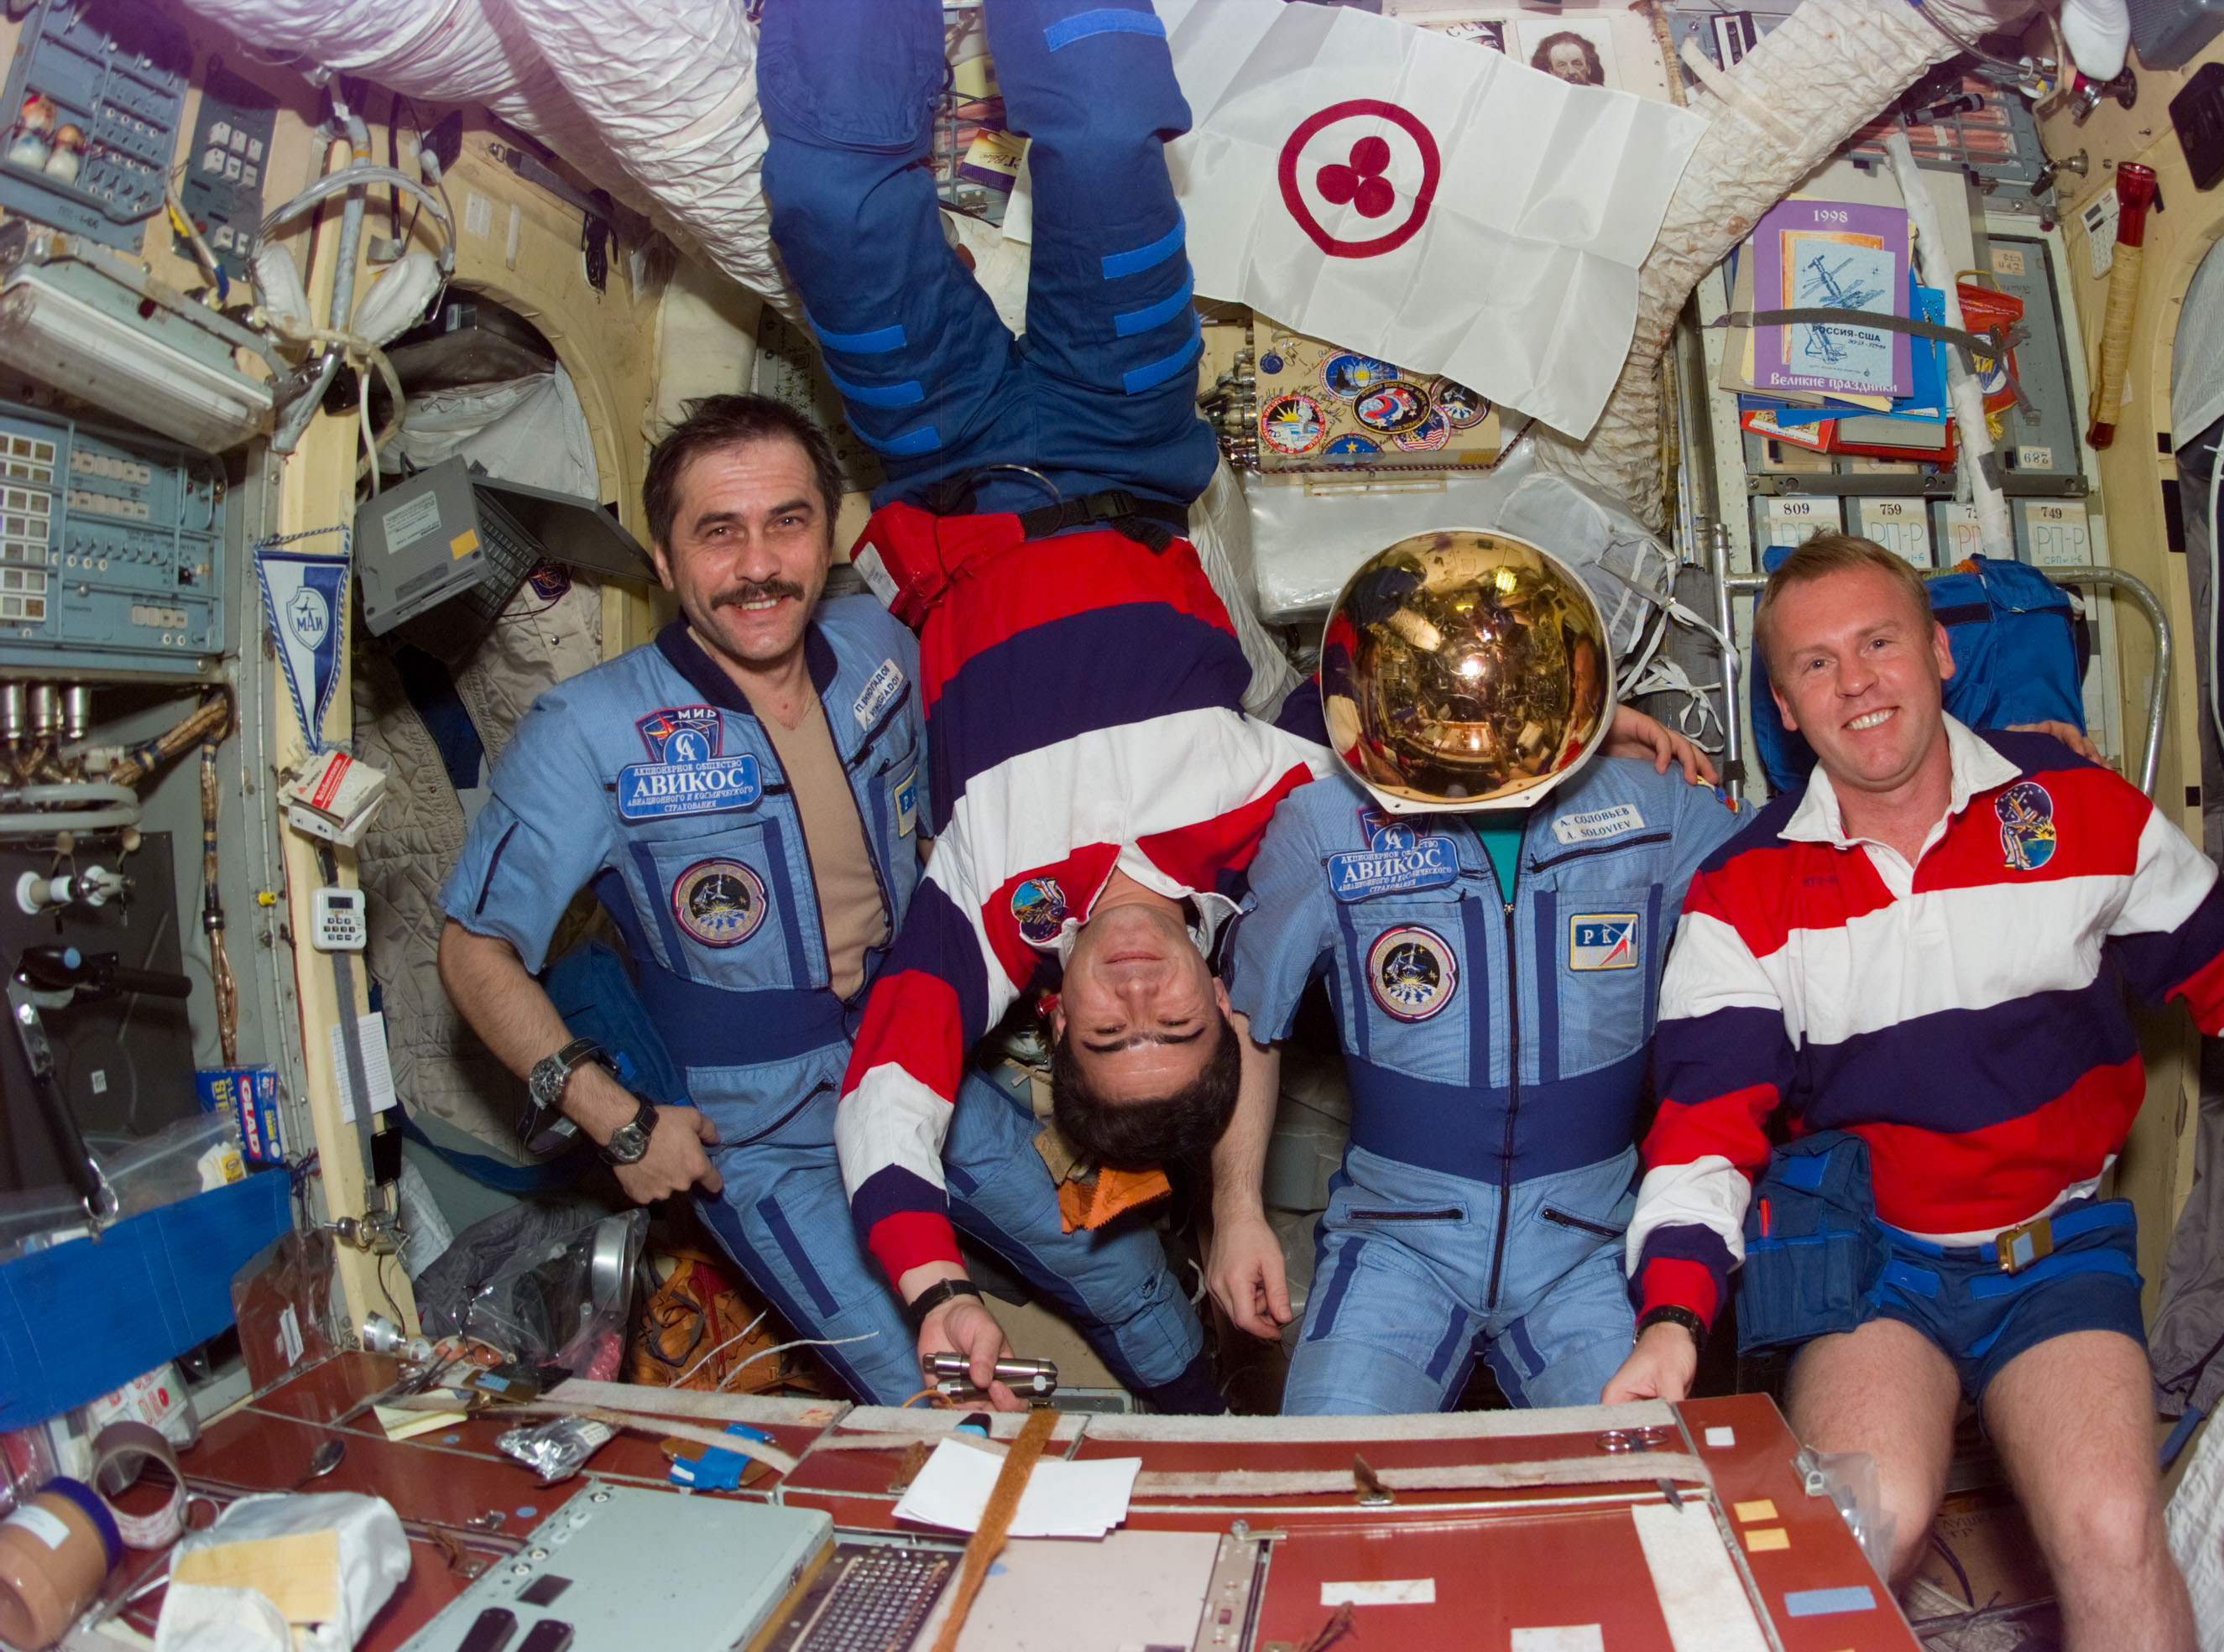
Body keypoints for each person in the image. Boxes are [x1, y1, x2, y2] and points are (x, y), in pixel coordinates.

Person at [1604, 534, 2224, 1652]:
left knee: (2113, 1527)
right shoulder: (1743, 895)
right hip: (1879, 1264)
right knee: (1859, 1523)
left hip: (2052, 1247)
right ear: (1788, 711)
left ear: (1940, 653)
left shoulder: (2079, 813)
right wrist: (1673, 1318)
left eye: (1878, 642)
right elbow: (1704, 1125)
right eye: (1814, 664)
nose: (1856, 681)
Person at [758, 0, 1332, 1409]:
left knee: (825, 195)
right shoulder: (1280, 834)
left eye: (1106, 1034)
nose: (1137, 999)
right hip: (1120, 434)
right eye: (1174, 1027)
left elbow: (889, 1105)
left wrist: (934, 1285)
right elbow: (1393, 708)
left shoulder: (984, 910)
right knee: (1091, 133)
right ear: (1221, 996)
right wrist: (1565, 754)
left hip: (932, 450)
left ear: (1052, 1016)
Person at [437, 394, 1214, 1411]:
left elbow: (964, 819)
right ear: (664, 561)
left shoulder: (880, 649)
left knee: (1125, 1270)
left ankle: (1220, 1430)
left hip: (917, 1051)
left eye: (787, 523)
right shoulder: (589, 733)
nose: (758, 565)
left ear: (828, 533)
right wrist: (617, 1124)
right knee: (930, 1385)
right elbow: (472, 948)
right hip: (757, 1132)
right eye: (718, 533)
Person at [1209, 532, 1746, 1413]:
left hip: (1593, 1242)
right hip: (1397, 1241)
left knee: (1651, 1503)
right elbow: (1248, 1019)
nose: (1472, 701)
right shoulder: (1325, 825)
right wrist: (1234, 1214)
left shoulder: (1656, 811)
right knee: (1326, 1498)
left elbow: (1794, 894)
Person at [1531, 29, 1607, 86]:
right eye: (1562, 65)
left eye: (1577, 64)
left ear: (1588, 68)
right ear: (1552, 72)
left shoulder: (1604, 96)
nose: (1571, 71)